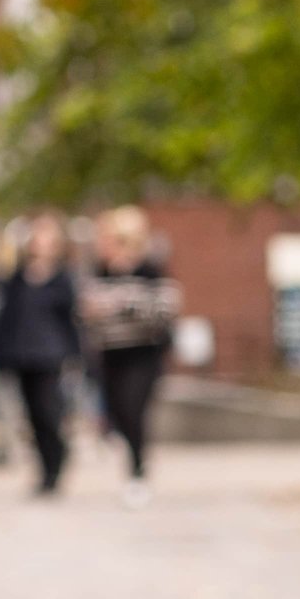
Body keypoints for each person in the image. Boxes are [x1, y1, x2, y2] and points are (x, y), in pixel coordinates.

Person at [80, 206, 179, 505]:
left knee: (134, 408)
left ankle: (137, 472)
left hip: (143, 354)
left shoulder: (150, 269)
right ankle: (135, 460)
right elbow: (87, 308)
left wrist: (122, 303)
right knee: (118, 413)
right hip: (110, 353)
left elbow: (166, 308)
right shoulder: (101, 271)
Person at [0, 214, 86, 497]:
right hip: (21, 355)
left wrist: (76, 355)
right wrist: (0, 355)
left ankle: (55, 465)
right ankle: (44, 471)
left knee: (49, 413)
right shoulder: (17, 277)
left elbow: (71, 320)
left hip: (50, 355)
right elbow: (5, 319)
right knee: (30, 418)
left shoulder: (62, 278)